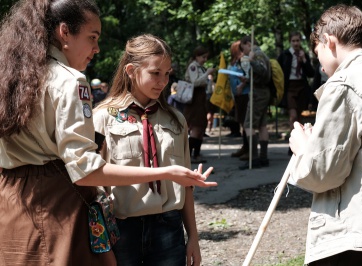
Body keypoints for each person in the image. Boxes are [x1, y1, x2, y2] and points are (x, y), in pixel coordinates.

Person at [0, 1, 216, 265]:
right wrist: (166, 172)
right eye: (92, 37)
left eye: (167, 74)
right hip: (57, 207)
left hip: (13, 205)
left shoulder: (13, 78)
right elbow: (86, 171)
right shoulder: (69, 81)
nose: (97, 48)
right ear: (64, 32)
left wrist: (191, 234)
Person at [289, 4, 362, 266]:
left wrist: (303, 148)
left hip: (347, 232)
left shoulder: (343, 84)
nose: (322, 67)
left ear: (329, 41)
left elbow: (323, 173)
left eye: (318, 55)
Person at [93, 34, 203, 266]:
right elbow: (92, 184)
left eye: (167, 74)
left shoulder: (176, 120)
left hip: (168, 228)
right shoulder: (103, 117)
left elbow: (187, 184)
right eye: (155, 73)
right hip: (121, 228)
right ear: (131, 70)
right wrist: (100, 242)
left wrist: (193, 236)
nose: (163, 81)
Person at [278, 31, 314, 155]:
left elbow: (311, 73)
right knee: (293, 116)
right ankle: (291, 143)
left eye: (298, 41)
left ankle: (298, 143)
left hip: (302, 87)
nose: (296, 43)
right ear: (290, 42)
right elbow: (279, 71)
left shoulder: (304, 55)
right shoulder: (285, 55)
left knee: (299, 116)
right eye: (293, 41)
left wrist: (304, 60)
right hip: (290, 87)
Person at [238, 36, 271, 170]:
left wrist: (251, 61)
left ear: (248, 44)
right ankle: (263, 157)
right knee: (262, 125)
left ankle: (254, 158)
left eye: (243, 48)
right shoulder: (260, 54)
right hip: (262, 92)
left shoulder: (257, 55)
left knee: (248, 124)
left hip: (259, 93)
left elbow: (262, 72)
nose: (244, 52)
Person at [184, 46, 216, 163]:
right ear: (197, 56)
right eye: (203, 57)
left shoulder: (200, 67)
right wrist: (207, 73)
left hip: (201, 98)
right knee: (196, 127)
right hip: (194, 99)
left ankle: (196, 154)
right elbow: (194, 82)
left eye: (206, 57)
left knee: (201, 127)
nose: (205, 59)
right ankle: (188, 155)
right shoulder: (193, 66)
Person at [228, 40, 250, 160]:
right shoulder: (235, 62)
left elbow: (248, 75)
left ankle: (249, 149)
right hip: (237, 96)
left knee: (246, 123)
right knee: (242, 122)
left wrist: (242, 85)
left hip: (245, 94)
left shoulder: (244, 60)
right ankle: (245, 147)